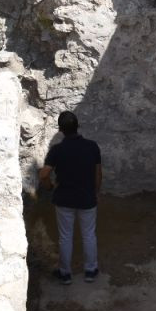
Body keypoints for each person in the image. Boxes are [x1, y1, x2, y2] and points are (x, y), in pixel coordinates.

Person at [37, 111, 102, 285]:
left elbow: (44, 174)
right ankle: (90, 271)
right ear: (77, 126)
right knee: (89, 235)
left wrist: (49, 186)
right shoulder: (92, 146)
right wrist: (95, 192)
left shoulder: (57, 150)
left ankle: (65, 274)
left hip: (64, 199)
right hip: (87, 199)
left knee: (65, 237)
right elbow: (97, 174)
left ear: (60, 130)